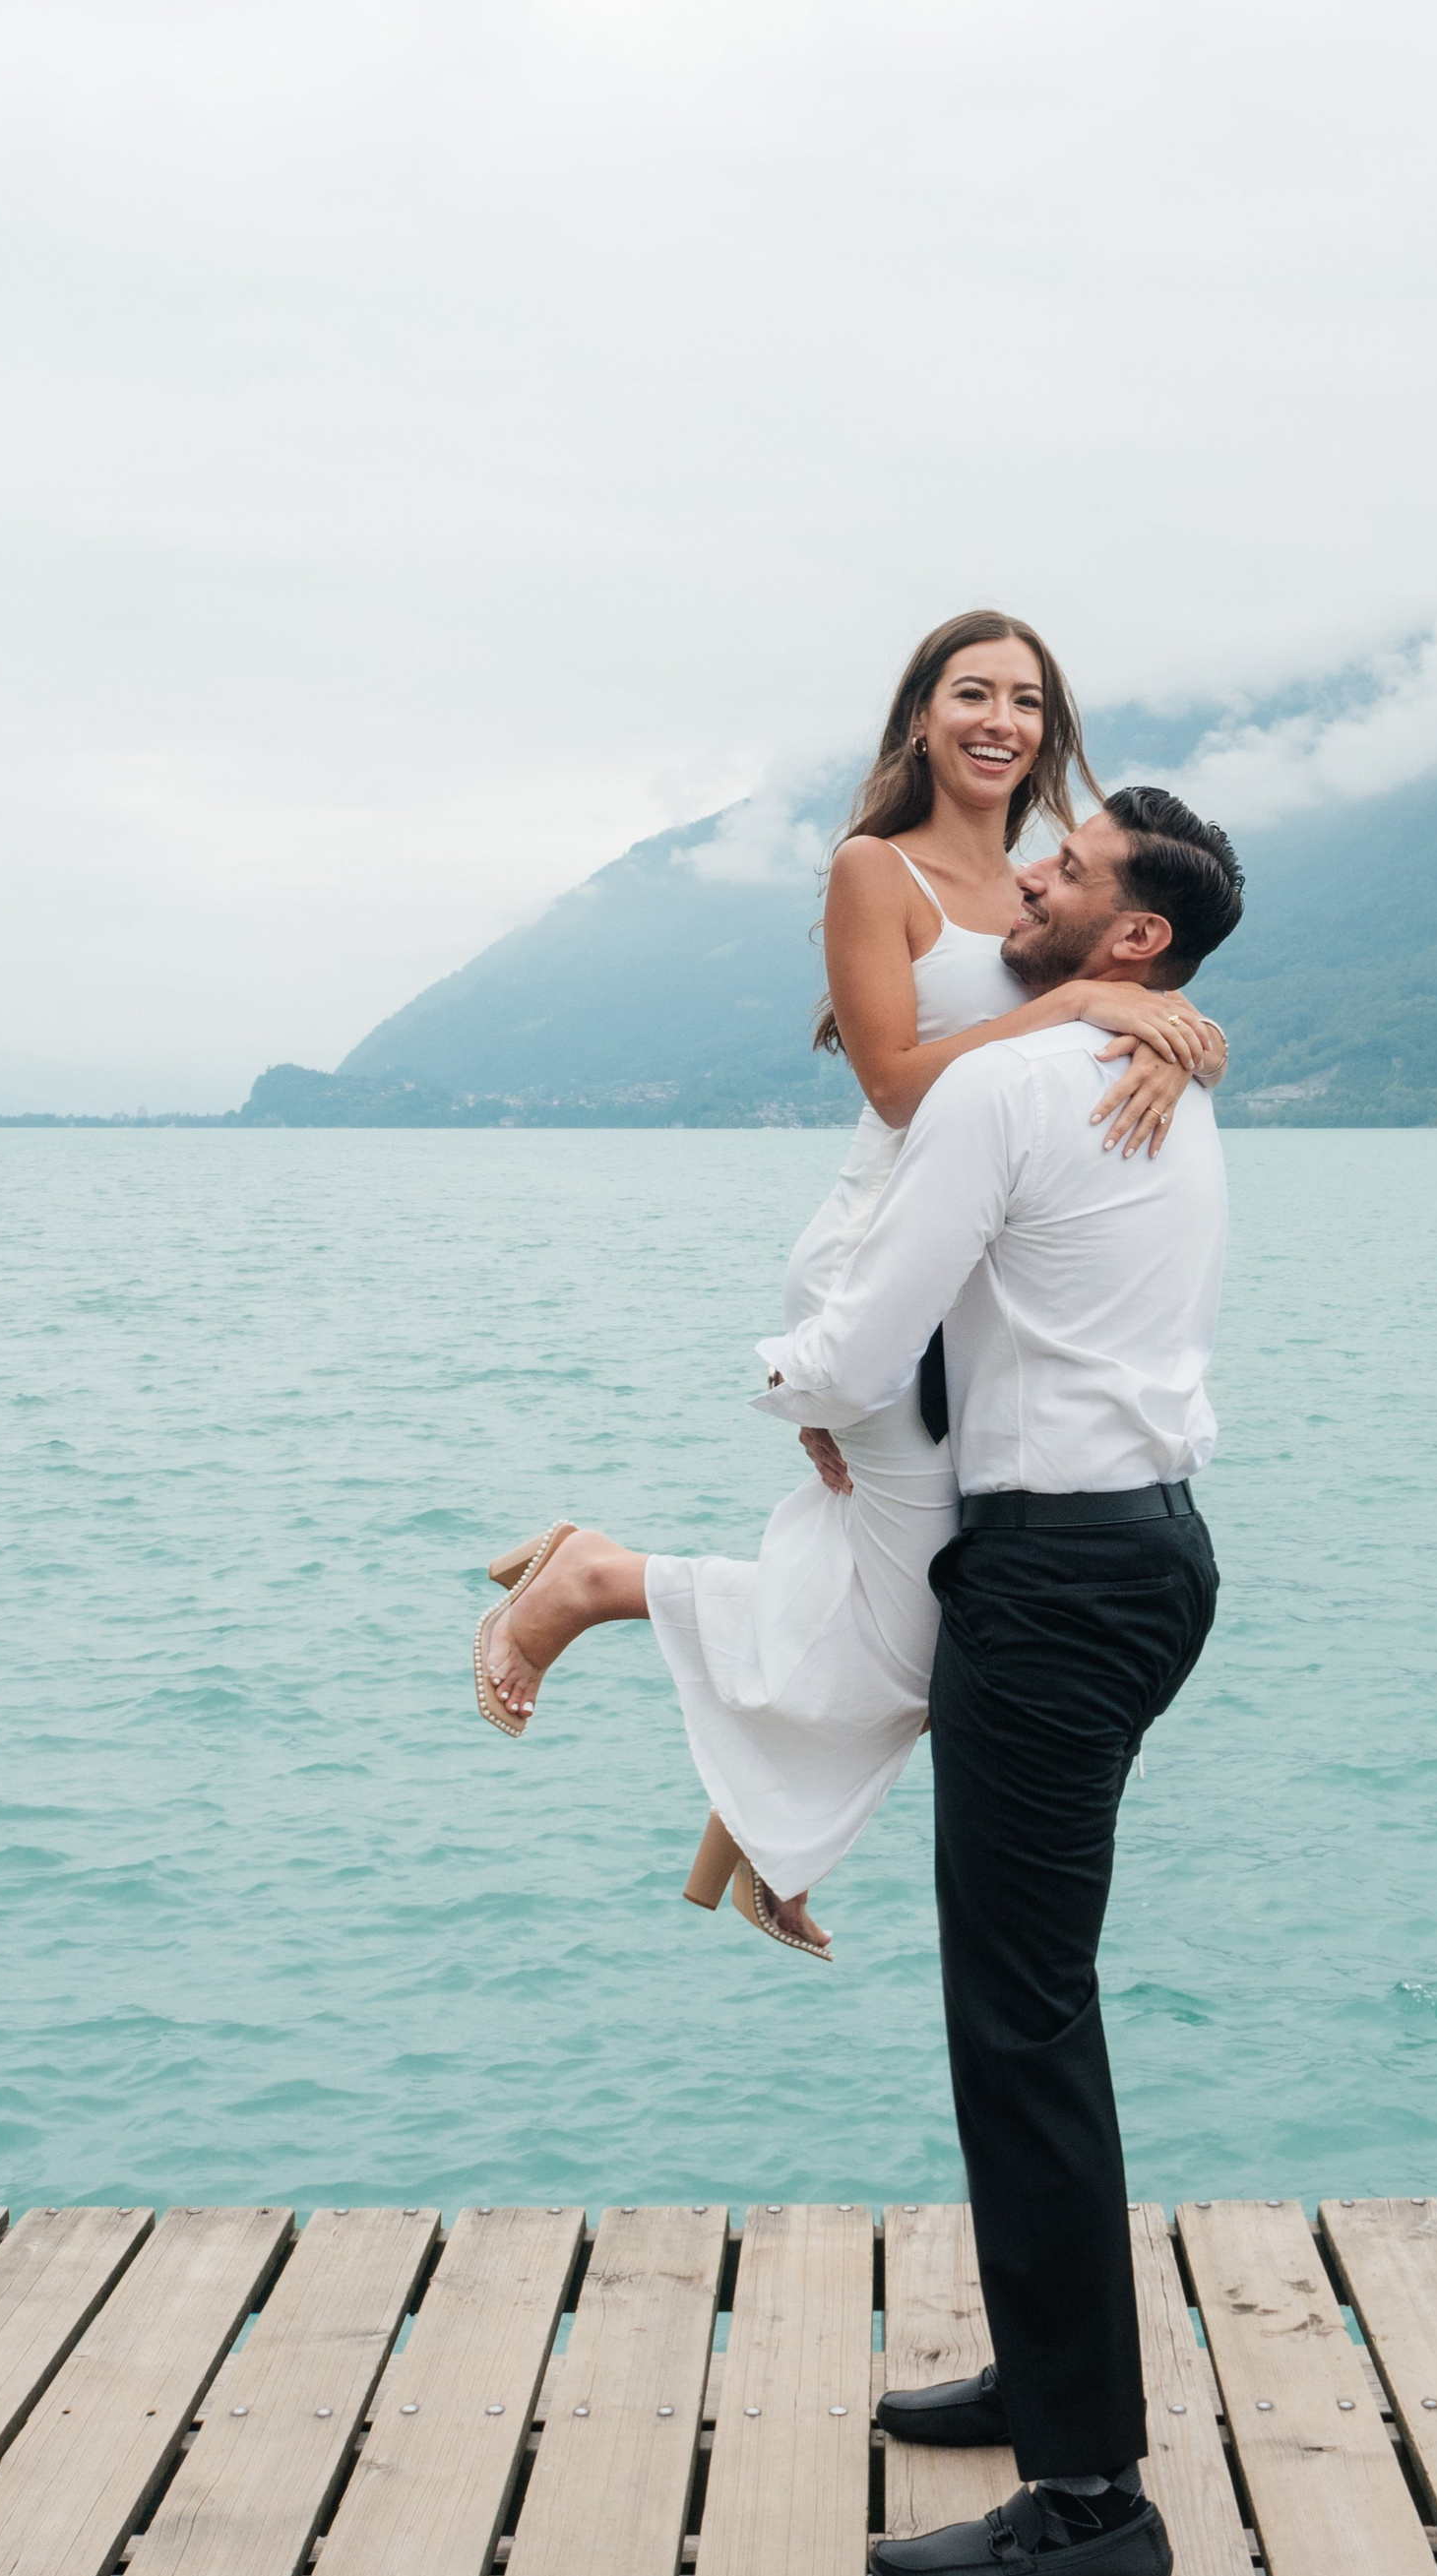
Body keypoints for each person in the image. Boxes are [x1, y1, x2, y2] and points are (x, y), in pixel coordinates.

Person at [471, 613, 1226, 1958]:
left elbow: (1135, 986)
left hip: (982, 1289)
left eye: (1027, 701)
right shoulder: (875, 869)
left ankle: (755, 1835)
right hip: (883, 1254)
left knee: (928, 1602)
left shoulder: (1046, 883)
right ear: (921, 715)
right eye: (972, 693)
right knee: (935, 1621)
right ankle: (597, 1584)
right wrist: (1072, 1010)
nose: (1001, 721)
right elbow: (893, 1081)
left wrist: (1177, 1044)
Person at [761, 784, 1244, 2576]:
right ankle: (1054, 2385)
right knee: (1037, 2009)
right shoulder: (1154, 1077)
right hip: (1141, 1558)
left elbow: (864, 1343)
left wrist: (785, 1382)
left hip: (1055, 1582)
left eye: (1068, 866)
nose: (1026, 872)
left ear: (1133, 936)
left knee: (1021, 2022)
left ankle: (1092, 2494)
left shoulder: (1018, 1084)